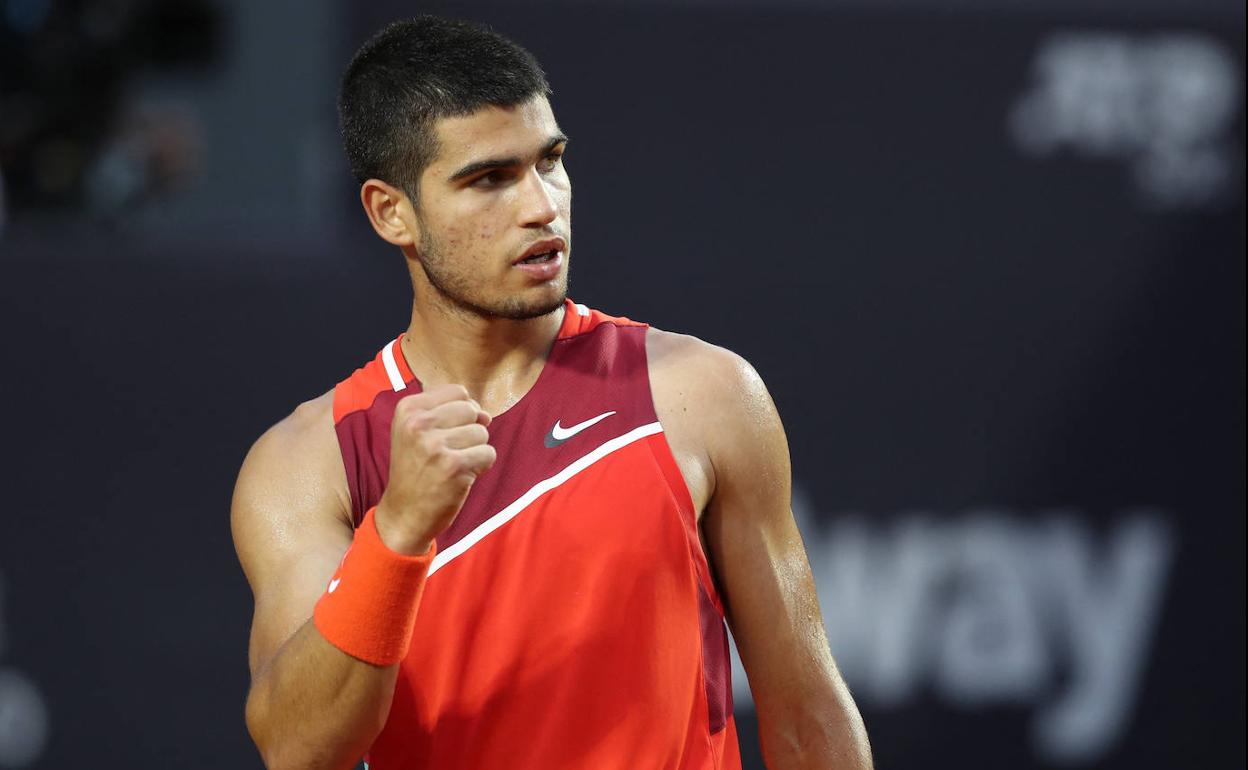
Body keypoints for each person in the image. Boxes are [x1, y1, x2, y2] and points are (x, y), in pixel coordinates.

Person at [230, 15, 872, 770]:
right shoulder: (308, 466)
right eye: (490, 179)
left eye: (551, 162)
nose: (541, 207)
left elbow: (807, 714)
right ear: (390, 212)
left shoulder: (702, 395)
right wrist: (398, 533)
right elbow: (298, 748)